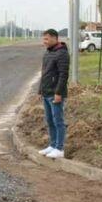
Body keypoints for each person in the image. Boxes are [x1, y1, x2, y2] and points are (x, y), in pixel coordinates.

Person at [38, 29, 70, 159]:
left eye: (46, 39)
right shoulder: (48, 53)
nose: (44, 42)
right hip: (46, 93)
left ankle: (59, 148)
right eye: (43, 39)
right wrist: (40, 90)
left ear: (54, 38)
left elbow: (63, 75)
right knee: (50, 120)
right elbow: (44, 73)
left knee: (58, 121)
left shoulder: (62, 54)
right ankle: (52, 145)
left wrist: (58, 93)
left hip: (55, 94)